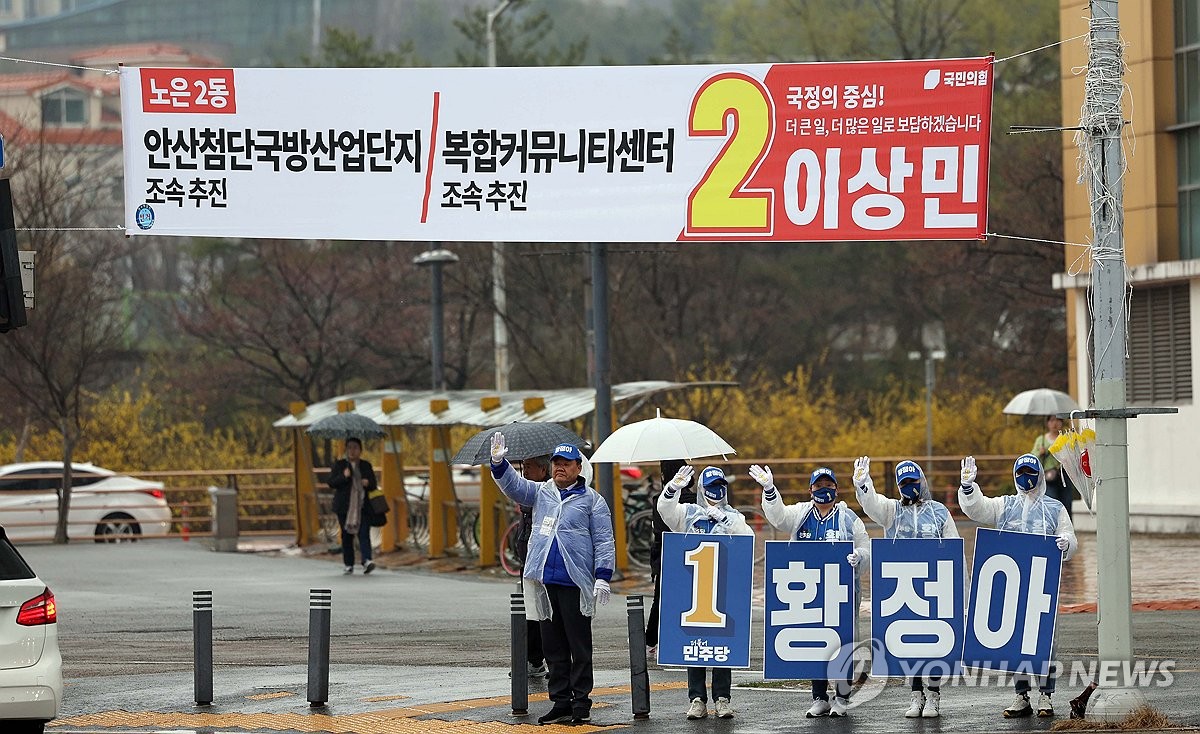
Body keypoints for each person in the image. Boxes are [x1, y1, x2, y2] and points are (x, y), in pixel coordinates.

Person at [490, 433, 616, 726]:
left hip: (576, 584)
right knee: (553, 648)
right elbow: (515, 486)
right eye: (556, 462)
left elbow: (604, 540)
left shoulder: (593, 501)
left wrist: (603, 576)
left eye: (566, 463)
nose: (559, 467)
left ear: (578, 468)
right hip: (545, 582)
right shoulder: (542, 493)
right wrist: (499, 464)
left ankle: (581, 702)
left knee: (579, 646)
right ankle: (560, 702)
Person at [959, 453, 1078, 718]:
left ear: (1038, 475)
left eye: (1030, 472)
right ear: (1015, 475)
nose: (1026, 477)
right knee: (1015, 640)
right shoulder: (1005, 505)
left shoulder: (1054, 508)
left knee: (1046, 641)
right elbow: (978, 508)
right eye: (1021, 471)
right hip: (1012, 584)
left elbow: (1069, 534)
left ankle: (1046, 696)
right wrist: (968, 489)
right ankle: (1021, 695)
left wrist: (1066, 543)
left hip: (1042, 586)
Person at [750, 463, 870, 718]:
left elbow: (866, 548)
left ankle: (842, 697)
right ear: (810, 489)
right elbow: (779, 517)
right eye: (818, 485)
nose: (823, 489)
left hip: (842, 595)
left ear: (836, 488)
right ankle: (819, 697)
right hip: (811, 593)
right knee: (816, 642)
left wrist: (859, 556)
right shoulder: (801, 514)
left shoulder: (849, 518)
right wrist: (770, 489)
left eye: (828, 485)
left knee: (843, 643)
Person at [853, 456, 959, 718]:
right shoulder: (892, 511)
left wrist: (958, 588)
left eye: (913, 481)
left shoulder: (939, 512)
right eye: (903, 483)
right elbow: (872, 504)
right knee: (910, 643)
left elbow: (954, 547)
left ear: (921, 481)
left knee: (932, 643)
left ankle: (933, 695)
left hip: (934, 586)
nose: (908, 486)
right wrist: (863, 483)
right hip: (905, 587)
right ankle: (915, 695)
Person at [657, 465, 752, 721]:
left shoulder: (735, 516)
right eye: (710, 486)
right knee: (694, 644)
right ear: (701, 489)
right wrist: (673, 488)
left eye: (720, 486)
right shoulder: (689, 514)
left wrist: (725, 520)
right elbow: (665, 511)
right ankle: (696, 698)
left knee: (723, 645)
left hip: (724, 591)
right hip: (694, 590)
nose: (716, 491)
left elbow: (748, 540)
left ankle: (723, 698)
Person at [646, 458, 697, 664]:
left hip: (665, 555)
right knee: (691, 599)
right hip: (693, 556)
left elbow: (658, 531)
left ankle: (651, 640)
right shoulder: (694, 500)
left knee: (661, 600)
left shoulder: (660, 499)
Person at [515, 455, 550, 679]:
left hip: (546, 562)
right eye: (523, 467)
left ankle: (548, 661)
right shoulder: (529, 491)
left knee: (547, 615)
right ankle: (534, 660)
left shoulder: (547, 492)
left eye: (529, 467)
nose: (525, 471)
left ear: (543, 469)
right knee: (531, 613)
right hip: (528, 561)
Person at [325, 437, 378, 575]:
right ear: (346, 450)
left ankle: (367, 560)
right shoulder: (340, 465)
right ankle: (349, 564)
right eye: (349, 448)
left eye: (355, 448)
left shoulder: (365, 465)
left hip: (362, 506)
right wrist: (344, 476)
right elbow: (331, 482)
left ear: (360, 450)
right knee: (347, 536)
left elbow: (373, 484)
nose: (352, 450)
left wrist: (368, 483)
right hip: (344, 507)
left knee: (363, 533)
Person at [1033, 415, 1074, 519]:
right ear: (1047, 423)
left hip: (1065, 475)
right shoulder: (1041, 439)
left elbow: (1073, 454)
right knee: (1051, 503)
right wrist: (1040, 452)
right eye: (1051, 420)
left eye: (1058, 420)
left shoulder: (1066, 438)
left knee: (1066, 504)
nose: (1055, 423)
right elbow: (1033, 457)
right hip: (1049, 476)